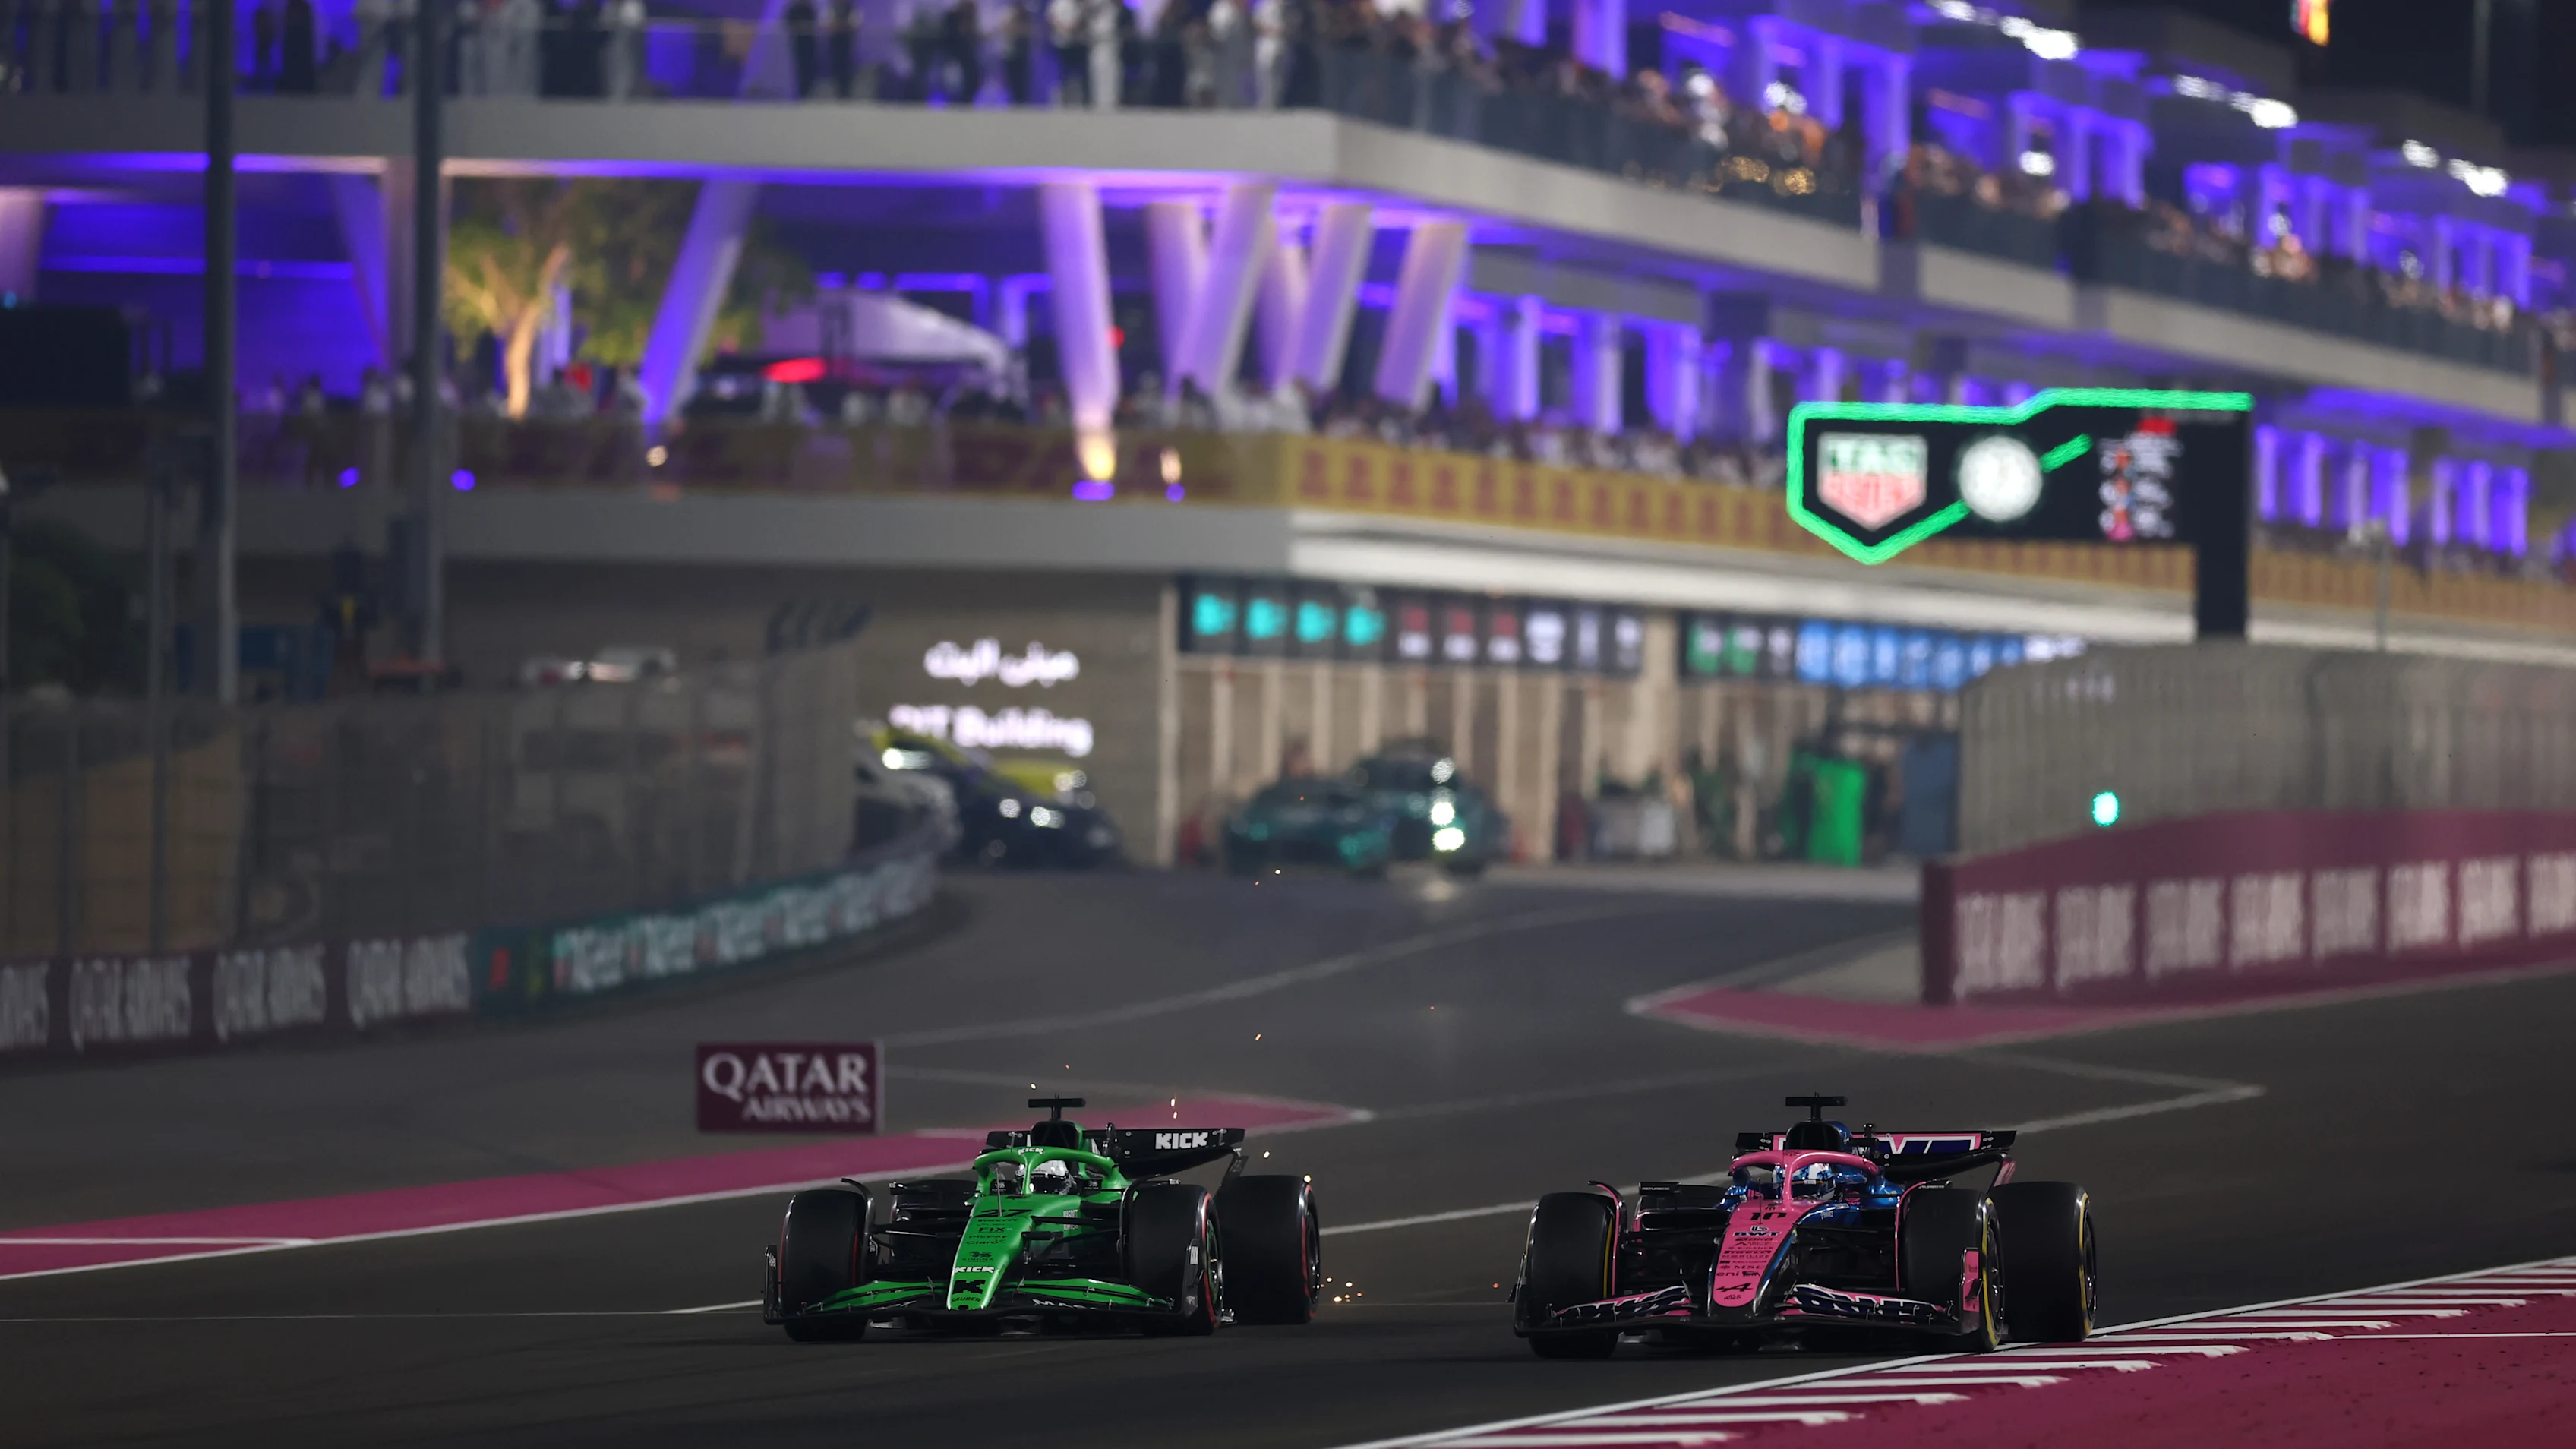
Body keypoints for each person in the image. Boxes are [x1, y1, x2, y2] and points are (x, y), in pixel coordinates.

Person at [1046, 0, 1083, 104]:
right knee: (1060, 74)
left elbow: (1080, 20)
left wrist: (1074, 28)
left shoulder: (1076, 5)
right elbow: (1052, 19)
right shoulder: (1058, 3)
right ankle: (1059, 101)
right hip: (1060, 44)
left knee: (1074, 75)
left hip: (1074, 44)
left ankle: (1074, 101)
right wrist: (1064, 28)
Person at [825, 0, 858, 97]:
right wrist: (842, 26)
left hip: (847, 44)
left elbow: (854, 25)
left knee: (847, 67)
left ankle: (846, 92)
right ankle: (837, 92)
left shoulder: (851, 8)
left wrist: (839, 26)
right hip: (835, 44)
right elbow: (829, 25)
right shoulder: (832, 8)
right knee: (836, 67)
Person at [784, 0, 817, 97]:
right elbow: (788, 23)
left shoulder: (809, 8)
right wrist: (799, 27)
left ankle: (809, 91)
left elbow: (814, 23)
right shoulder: (794, 9)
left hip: (809, 42)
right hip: (798, 42)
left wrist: (806, 27)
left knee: (809, 67)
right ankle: (801, 92)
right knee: (799, 67)